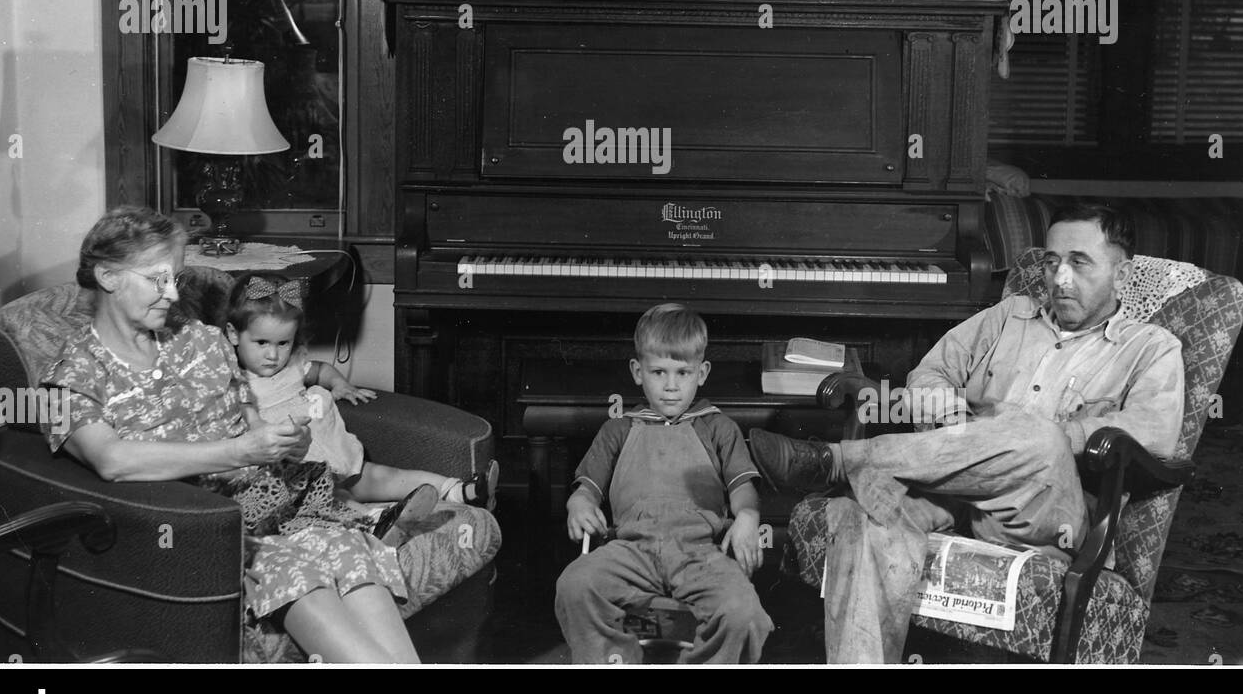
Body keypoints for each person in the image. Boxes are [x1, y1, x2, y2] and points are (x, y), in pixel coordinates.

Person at [39, 207, 490, 663]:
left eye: (175, 277)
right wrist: (238, 451)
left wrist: (279, 442)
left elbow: (250, 417)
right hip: (199, 530)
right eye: (158, 279)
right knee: (297, 570)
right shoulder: (68, 378)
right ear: (108, 276)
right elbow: (111, 461)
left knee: (346, 550)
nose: (173, 294)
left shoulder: (200, 339)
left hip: (277, 504)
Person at [748, 203, 1184, 663]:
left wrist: (1046, 435)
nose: (1059, 279)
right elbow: (931, 372)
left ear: (1123, 274)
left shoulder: (1149, 349)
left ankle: (836, 461)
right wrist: (948, 411)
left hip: (1048, 515)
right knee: (868, 519)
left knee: (1038, 434)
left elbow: (1152, 436)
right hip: (952, 495)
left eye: (1079, 262)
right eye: (1052, 261)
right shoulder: (1008, 316)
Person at [554, 303, 773, 663]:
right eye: (658, 372)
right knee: (574, 586)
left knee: (743, 613)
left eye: (683, 373)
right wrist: (579, 504)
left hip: (700, 552)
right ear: (638, 372)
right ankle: (614, 659)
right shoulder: (619, 428)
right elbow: (587, 488)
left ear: (701, 373)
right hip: (631, 549)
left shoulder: (717, 427)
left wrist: (747, 517)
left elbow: (742, 488)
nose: (671, 387)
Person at [226, 271, 498, 542]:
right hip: (299, 477)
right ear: (234, 335)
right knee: (338, 498)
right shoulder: (234, 382)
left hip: (335, 454)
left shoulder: (293, 366)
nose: (273, 355)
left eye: (283, 343)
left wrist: (340, 384)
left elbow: (321, 370)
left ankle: (460, 490)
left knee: (386, 476)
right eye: (261, 343)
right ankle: (377, 523)